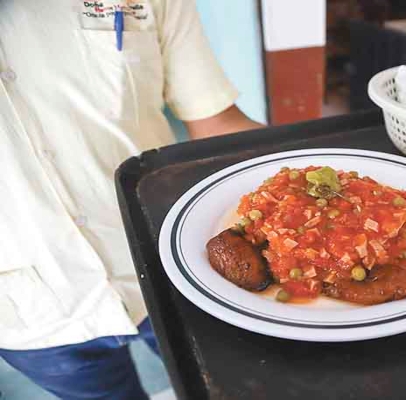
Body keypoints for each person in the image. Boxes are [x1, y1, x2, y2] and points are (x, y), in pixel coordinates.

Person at [0, 1, 262, 399]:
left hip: (171, 267)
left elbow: (217, 122)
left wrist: (323, 164)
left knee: (237, 390)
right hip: (28, 314)